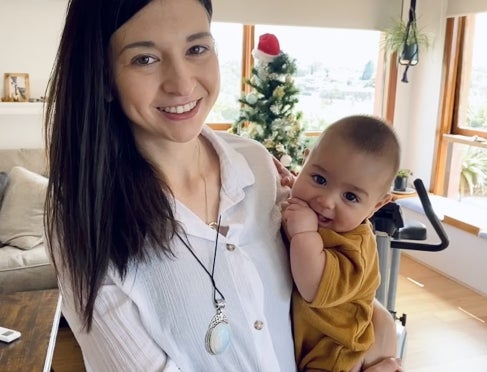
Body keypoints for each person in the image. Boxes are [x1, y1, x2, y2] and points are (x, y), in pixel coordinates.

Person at [43, 0, 403, 370]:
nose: (182, 84)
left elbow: (341, 289)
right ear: (103, 77)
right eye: (145, 59)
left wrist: (382, 335)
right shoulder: (84, 217)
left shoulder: (258, 165)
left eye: (196, 49)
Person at [283, 115, 401, 372]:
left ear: (376, 206)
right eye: (319, 179)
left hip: (335, 355)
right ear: (304, 163)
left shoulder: (353, 247)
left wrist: (304, 233)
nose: (326, 201)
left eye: (350, 196)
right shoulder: (315, 213)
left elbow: (312, 286)